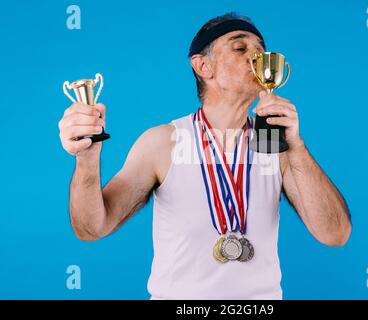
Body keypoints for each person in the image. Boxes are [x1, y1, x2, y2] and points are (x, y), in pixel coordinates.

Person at [57, 12, 351, 300]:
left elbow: (335, 234)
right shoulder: (163, 142)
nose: (257, 57)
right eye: (240, 48)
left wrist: (296, 147)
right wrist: (87, 159)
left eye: (262, 51)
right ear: (203, 67)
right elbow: (91, 228)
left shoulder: (275, 145)